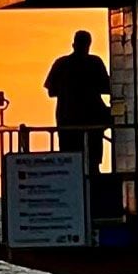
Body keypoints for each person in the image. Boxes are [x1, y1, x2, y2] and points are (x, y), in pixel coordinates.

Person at [45, 29, 111, 169]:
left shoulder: (61, 63)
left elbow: (51, 91)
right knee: (91, 162)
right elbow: (108, 88)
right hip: (91, 120)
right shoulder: (94, 63)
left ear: (74, 44)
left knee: (70, 161)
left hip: (68, 121)